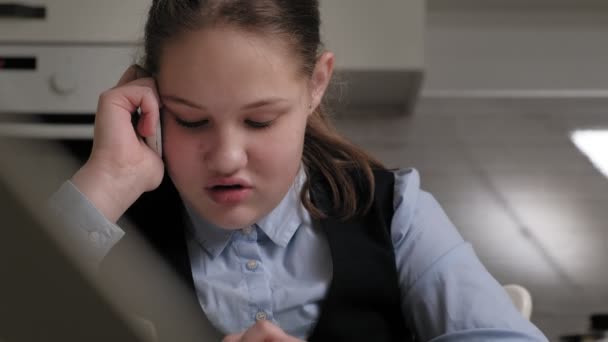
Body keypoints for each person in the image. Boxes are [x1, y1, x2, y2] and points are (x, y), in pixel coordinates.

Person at [49, 0, 549, 341]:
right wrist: (110, 179)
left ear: (316, 85)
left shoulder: (397, 212)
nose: (226, 158)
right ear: (149, 99)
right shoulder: (102, 214)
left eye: (260, 120)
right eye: (191, 119)